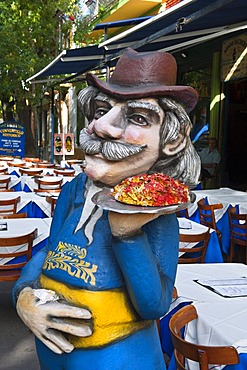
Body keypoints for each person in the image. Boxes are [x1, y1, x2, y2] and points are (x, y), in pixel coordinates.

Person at [12, 48, 200, 370]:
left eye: (138, 118)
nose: (102, 127)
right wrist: (23, 295)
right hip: (52, 350)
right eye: (101, 110)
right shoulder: (74, 190)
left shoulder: (158, 214)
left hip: (116, 356)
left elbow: (153, 304)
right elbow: (49, 252)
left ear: (172, 139)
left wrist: (128, 234)